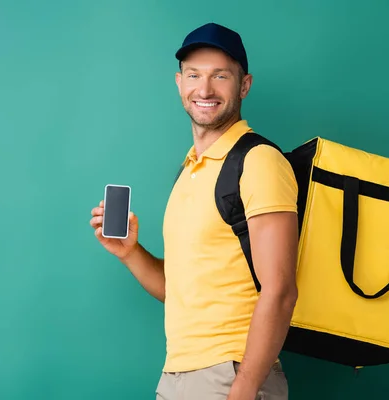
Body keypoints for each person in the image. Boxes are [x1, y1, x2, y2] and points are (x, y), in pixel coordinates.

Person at [89, 22, 299, 399]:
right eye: (194, 75)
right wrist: (131, 253)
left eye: (220, 76)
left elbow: (281, 289)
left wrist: (244, 389)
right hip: (177, 376)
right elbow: (178, 289)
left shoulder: (259, 161)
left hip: (230, 376)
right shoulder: (189, 171)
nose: (204, 90)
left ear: (244, 85)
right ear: (179, 83)